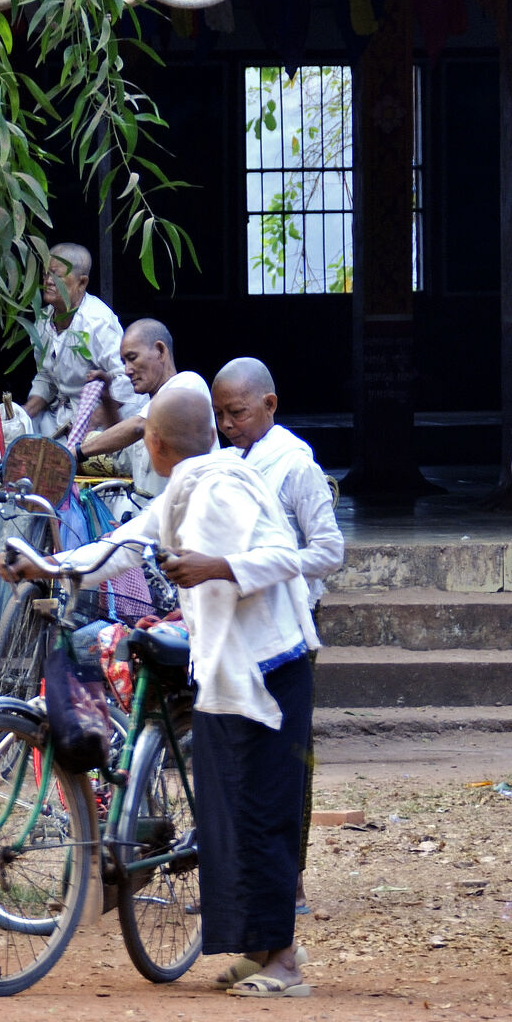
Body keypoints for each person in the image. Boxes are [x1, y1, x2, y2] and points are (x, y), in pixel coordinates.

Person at [3, 382, 316, 996]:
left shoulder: (223, 484)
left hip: (272, 667)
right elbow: (120, 549)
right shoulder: (186, 490)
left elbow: (286, 555)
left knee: (261, 814)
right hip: (229, 671)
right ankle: (261, 951)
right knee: (228, 815)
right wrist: (49, 566)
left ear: (152, 443)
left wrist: (215, 567)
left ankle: (284, 963)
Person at [212, 357, 344, 914]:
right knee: (233, 754)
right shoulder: (221, 463)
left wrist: (264, 567)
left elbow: (329, 550)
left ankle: (291, 878)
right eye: (219, 415)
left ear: (269, 405)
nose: (226, 425)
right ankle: (236, 877)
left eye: (236, 413)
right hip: (231, 627)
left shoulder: (295, 467)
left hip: (287, 630)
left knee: (289, 755)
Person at [17, 242, 133, 445]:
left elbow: (125, 380)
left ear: (82, 283)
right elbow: (46, 377)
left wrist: (85, 427)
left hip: (102, 421)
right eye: (45, 274)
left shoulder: (97, 322)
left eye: (57, 275)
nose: (48, 281)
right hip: (60, 419)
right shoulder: (43, 320)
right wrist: (23, 415)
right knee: (9, 443)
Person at [80, 319, 184, 498]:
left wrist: (77, 452)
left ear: (160, 351)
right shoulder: (146, 408)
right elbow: (119, 454)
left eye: (132, 358)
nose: (127, 370)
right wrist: (107, 398)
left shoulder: (187, 385)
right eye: (124, 362)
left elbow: (138, 426)